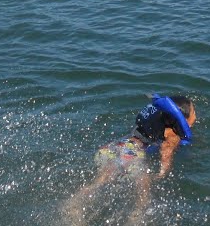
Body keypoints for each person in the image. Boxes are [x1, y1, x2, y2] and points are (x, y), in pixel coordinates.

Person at [64, 94, 196, 225]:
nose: (196, 114)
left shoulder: (154, 118)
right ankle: (133, 220)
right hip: (131, 155)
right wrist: (161, 174)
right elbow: (165, 154)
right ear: (183, 119)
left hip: (113, 147)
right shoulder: (172, 134)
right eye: (194, 111)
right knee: (143, 196)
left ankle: (73, 204)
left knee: (100, 180)